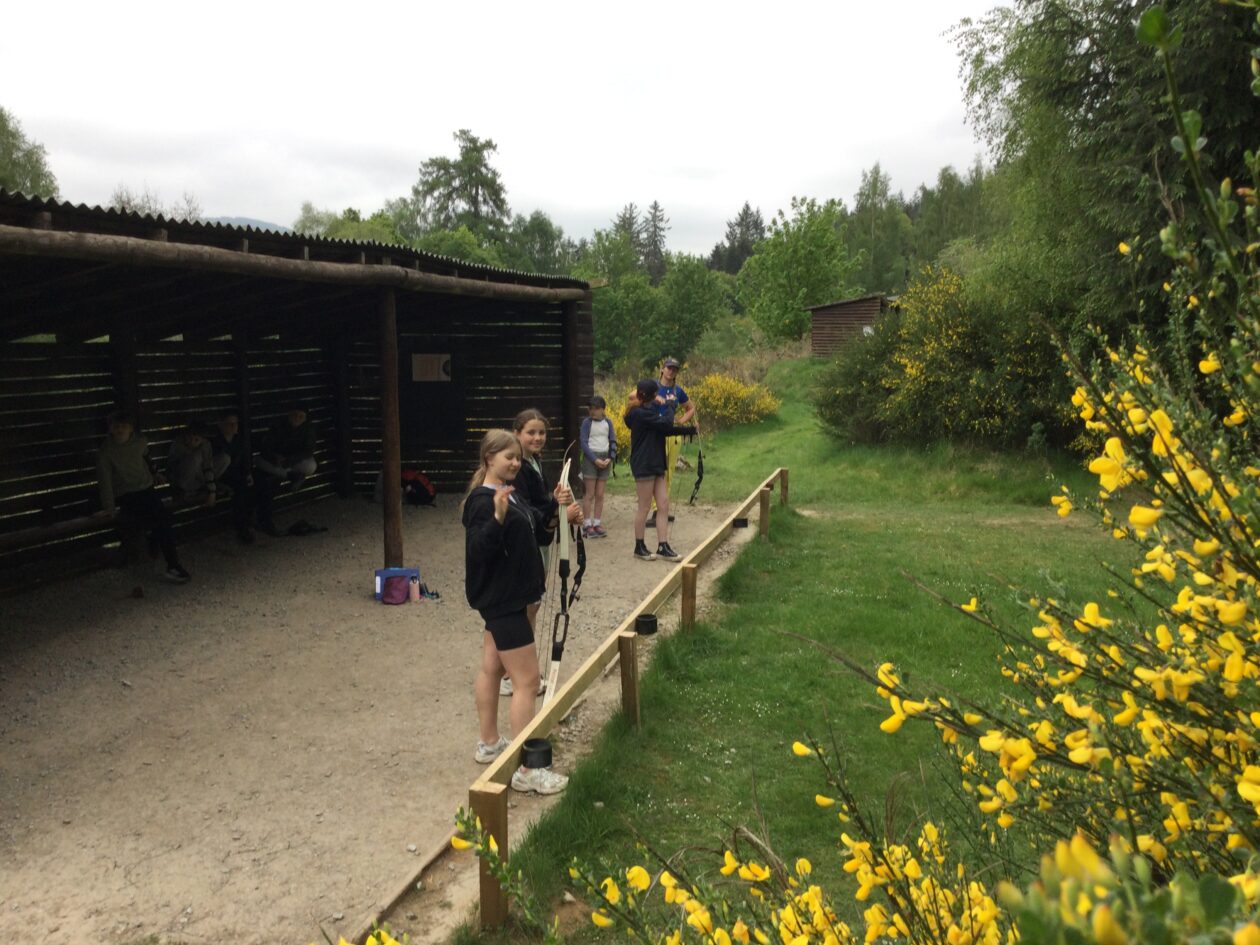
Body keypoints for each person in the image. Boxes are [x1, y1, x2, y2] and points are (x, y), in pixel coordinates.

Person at [462, 429, 580, 794]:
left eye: (517, 457)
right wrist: (497, 517)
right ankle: (529, 769)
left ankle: (489, 744)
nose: (514, 462)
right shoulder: (483, 501)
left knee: (492, 667)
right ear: (489, 459)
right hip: (505, 602)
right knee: (527, 682)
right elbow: (478, 550)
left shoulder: (509, 494)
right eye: (507, 457)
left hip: (507, 599)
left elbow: (537, 531)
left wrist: (559, 512)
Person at [500, 408, 578, 697]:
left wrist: (558, 505)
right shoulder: (517, 468)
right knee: (524, 608)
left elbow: (540, 503)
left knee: (531, 606)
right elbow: (524, 510)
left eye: (541, 432)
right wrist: (557, 511)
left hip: (538, 543)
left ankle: (516, 669)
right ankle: (512, 673)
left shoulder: (532, 462)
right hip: (527, 544)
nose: (537, 437)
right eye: (530, 432)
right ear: (516, 433)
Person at [94, 410, 191, 584]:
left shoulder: (139, 442)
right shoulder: (106, 452)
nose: (120, 430)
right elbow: (105, 481)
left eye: (124, 426)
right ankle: (170, 563)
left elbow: (147, 457)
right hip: (126, 493)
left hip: (146, 488)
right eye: (116, 427)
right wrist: (109, 507)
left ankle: (172, 564)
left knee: (162, 519)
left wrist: (155, 473)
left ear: (131, 429)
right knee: (156, 519)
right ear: (110, 429)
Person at [624, 378, 697, 562]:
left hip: (657, 462)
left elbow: (664, 430)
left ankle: (663, 545)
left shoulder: (650, 411)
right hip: (644, 463)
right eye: (656, 393)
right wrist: (671, 405)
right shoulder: (639, 413)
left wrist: (689, 431)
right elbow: (665, 424)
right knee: (644, 506)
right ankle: (639, 546)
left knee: (663, 504)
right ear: (652, 395)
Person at [648, 356, 696, 527]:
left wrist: (681, 421)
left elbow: (690, 408)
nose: (671, 371)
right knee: (655, 470)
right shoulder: (653, 387)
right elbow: (637, 400)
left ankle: (661, 509)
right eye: (669, 368)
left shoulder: (678, 391)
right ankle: (655, 508)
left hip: (672, 433)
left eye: (674, 369)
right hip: (655, 433)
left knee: (668, 472)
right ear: (662, 369)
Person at [254, 408, 317, 536]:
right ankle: (291, 476)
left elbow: (308, 451)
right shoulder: (278, 427)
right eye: (295, 415)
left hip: (292, 462)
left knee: (311, 466)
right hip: (276, 461)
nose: (297, 418)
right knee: (258, 461)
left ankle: (289, 473)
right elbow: (265, 447)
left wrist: (290, 460)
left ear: (305, 418)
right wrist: (275, 458)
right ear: (289, 415)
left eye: (301, 416)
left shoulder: (308, 430)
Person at [211, 411, 256, 543]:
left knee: (251, 485)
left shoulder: (239, 441)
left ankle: (249, 521)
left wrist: (248, 473)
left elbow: (244, 461)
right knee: (240, 488)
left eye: (235, 423)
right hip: (221, 476)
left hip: (235, 474)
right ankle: (242, 526)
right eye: (229, 424)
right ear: (221, 425)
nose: (233, 426)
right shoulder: (215, 443)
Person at [579, 396, 615, 538]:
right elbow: (583, 443)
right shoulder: (587, 423)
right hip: (590, 459)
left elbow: (612, 440)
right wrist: (594, 460)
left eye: (596, 409)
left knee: (600, 494)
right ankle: (587, 524)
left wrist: (610, 458)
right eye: (591, 409)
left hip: (605, 458)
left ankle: (597, 523)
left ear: (603, 409)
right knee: (590, 494)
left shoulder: (608, 423)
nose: (593, 412)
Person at [167, 421, 222, 507]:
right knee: (195, 457)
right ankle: (190, 494)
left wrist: (212, 491)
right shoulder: (178, 444)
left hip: (200, 478)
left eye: (196, 439)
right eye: (189, 437)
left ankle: (205, 488)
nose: (192, 441)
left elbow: (208, 466)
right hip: (182, 481)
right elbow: (172, 468)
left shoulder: (205, 444)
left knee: (224, 459)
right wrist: (192, 450)